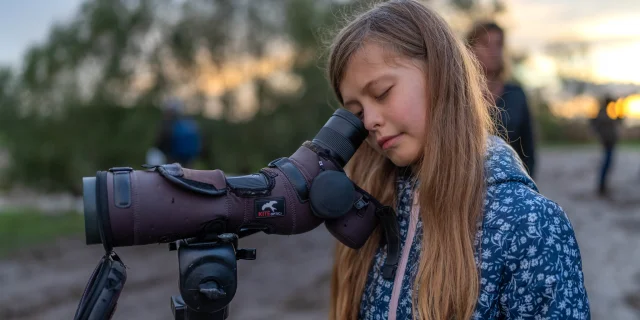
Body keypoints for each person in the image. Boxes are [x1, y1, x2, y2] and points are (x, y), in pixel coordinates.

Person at [326, 1, 589, 319]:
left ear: (439, 73)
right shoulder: (375, 214)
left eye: (382, 93)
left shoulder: (532, 226)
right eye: (356, 112)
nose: (368, 121)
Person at [467, 21, 537, 179]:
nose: (493, 50)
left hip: (510, 182)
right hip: (467, 184)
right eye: (485, 43)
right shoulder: (459, 94)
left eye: (499, 44)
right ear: (469, 49)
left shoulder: (516, 94)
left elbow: (528, 149)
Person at [154, 97, 202, 168]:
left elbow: (160, 142)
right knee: (187, 176)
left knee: (170, 177)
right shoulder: (189, 124)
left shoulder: (169, 124)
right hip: (189, 160)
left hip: (172, 159)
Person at [590, 95, 622, 196]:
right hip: (607, 142)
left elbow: (619, 120)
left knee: (607, 164)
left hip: (609, 142)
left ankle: (603, 186)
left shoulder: (606, 112)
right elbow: (598, 125)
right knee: (606, 164)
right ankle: (601, 187)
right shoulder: (603, 114)